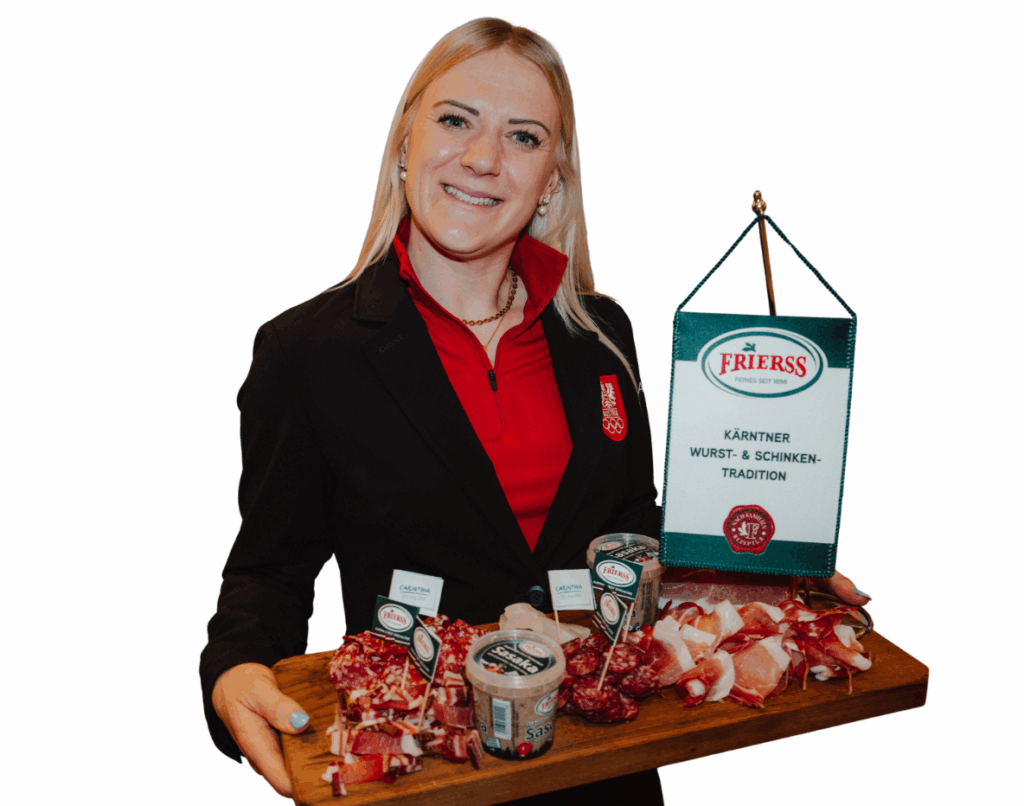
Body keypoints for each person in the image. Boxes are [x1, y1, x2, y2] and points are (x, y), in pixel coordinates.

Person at [200, 17, 870, 803]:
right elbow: (270, 570)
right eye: (456, 120)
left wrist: (753, 563)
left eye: (524, 136)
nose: (484, 158)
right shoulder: (308, 352)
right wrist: (234, 669)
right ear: (406, 144)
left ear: (552, 178)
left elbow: (631, 529)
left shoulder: (601, 335)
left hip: (604, 762)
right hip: (432, 766)